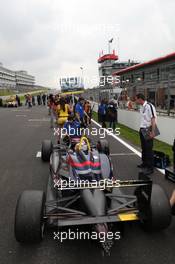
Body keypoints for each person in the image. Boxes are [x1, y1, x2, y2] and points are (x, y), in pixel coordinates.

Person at [135, 93, 157, 175]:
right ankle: (144, 163)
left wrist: (153, 132)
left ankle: (150, 168)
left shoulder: (149, 106)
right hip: (142, 129)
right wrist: (140, 129)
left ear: (140, 99)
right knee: (144, 148)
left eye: (136, 99)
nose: (136, 101)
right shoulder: (142, 107)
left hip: (148, 129)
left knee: (149, 149)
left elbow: (153, 119)